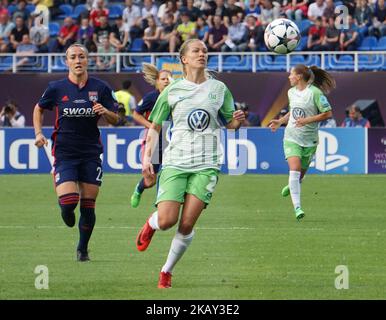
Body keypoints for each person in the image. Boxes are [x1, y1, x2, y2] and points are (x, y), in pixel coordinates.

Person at [134, 39, 245, 288]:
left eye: (205, 50)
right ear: (184, 59)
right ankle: (152, 224)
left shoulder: (219, 89)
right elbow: (155, 126)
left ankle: (166, 271)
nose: (202, 53)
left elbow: (230, 124)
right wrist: (147, 158)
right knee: (167, 221)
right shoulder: (172, 91)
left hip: (207, 164)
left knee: (186, 223)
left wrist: (238, 120)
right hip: (176, 162)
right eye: (196, 50)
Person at [32, 43, 119, 262]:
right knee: (70, 201)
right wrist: (38, 133)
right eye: (73, 57)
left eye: (81, 56)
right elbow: (39, 108)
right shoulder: (56, 87)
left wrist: (105, 111)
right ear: (67, 61)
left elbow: (116, 119)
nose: (78, 60)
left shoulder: (101, 88)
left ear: (87, 60)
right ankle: (66, 211)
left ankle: (82, 248)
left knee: (88, 204)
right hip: (64, 152)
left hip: (91, 152)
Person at [269, 64, 335, 220]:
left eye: (291, 74)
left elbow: (328, 113)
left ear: (298, 77)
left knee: (299, 175)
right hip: (291, 137)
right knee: (295, 168)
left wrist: (307, 120)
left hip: (310, 140)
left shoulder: (315, 93)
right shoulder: (291, 92)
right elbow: (293, 111)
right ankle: (297, 208)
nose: (289, 77)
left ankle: (293, 184)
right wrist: (280, 121)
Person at [130, 63, 172, 208]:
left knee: (169, 172)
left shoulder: (176, 97)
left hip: (172, 139)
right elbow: (135, 114)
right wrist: (151, 126)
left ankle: (161, 202)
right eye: (163, 78)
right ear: (157, 82)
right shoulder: (151, 97)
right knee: (151, 179)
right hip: (155, 140)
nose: (167, 80)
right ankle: (139, 189)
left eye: (169, 78)